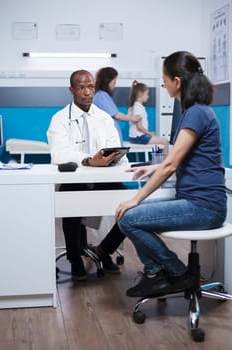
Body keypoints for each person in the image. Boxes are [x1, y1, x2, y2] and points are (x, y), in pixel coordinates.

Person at [115, 51, 227, 298]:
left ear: (177, 82)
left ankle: (176, 273)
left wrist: (136, 198)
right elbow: (180, 157)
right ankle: (156, 273)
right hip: (199, 203)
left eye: (165, 79)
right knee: (129, 215)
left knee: (128, 217)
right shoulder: (196, 111)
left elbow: (171, 165)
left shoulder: (196, 113)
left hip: (204, 207)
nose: (163, 84)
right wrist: (152, 167)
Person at [47, 69, 126, 281]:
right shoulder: (60, 118)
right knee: (72, 206)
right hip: (74, 179)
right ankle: (75, 259)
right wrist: (89, 160)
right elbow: (58, 153)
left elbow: (113, 145)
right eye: (81, 87)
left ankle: (104, 250)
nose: (87, 92)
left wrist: (114, 157)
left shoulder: (103, 117)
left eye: (90, 87)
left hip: (103, 178)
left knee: (130, 208)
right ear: (72, 90)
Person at [93, 67, 141, 145]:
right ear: (107, 81)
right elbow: (116, 115)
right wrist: (132, 118)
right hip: (109, 138)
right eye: (114, 82)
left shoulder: (101, 96)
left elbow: (112, 116)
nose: (114, 85)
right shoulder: (101, 96)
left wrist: (128, 116)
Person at [128, 80, 169, 153]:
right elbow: (139, 127)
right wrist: (150, 133)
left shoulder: (135, 106)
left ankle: (159, 161)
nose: (148, 96)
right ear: (140, 94)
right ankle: (164, 163)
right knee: (165, 141)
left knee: (160, 141)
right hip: (139, 138)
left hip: (135, 137)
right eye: (147, 94)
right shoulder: (138, 108)